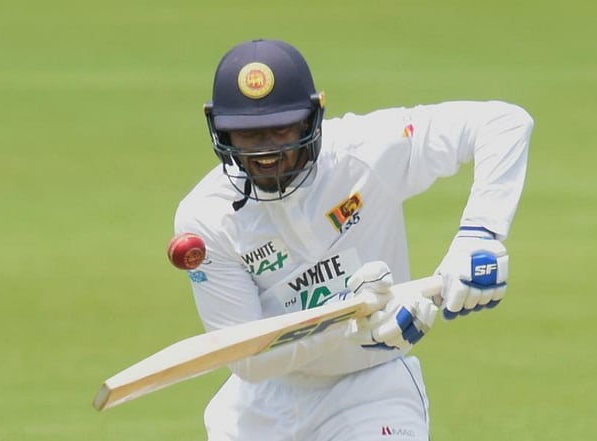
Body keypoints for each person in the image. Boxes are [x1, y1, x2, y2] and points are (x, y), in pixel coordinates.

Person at [174, 38, 533, 441]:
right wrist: (350, 322)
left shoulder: (364, 150)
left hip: (371, 387)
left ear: (312, 117)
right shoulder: (206, 217)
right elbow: (249, 359)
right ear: (220, 129)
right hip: (261, 406)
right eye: (248, 135)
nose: (267, 152)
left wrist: (478, 233)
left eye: (281, 129)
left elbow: (504, 123)